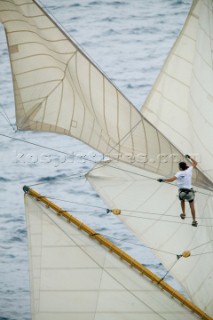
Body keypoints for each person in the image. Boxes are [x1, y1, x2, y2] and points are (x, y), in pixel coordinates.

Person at [157, 155, 198, 227]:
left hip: (182, 192)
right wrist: (190, 157)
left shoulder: (179, 173)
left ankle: (184, 213)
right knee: (192, 206)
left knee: (182, 199)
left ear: (180, 167)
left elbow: (171, 180)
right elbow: (195, 163)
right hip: (190, 192)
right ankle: (194, 221)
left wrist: (163, 180)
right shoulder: (189, 170)